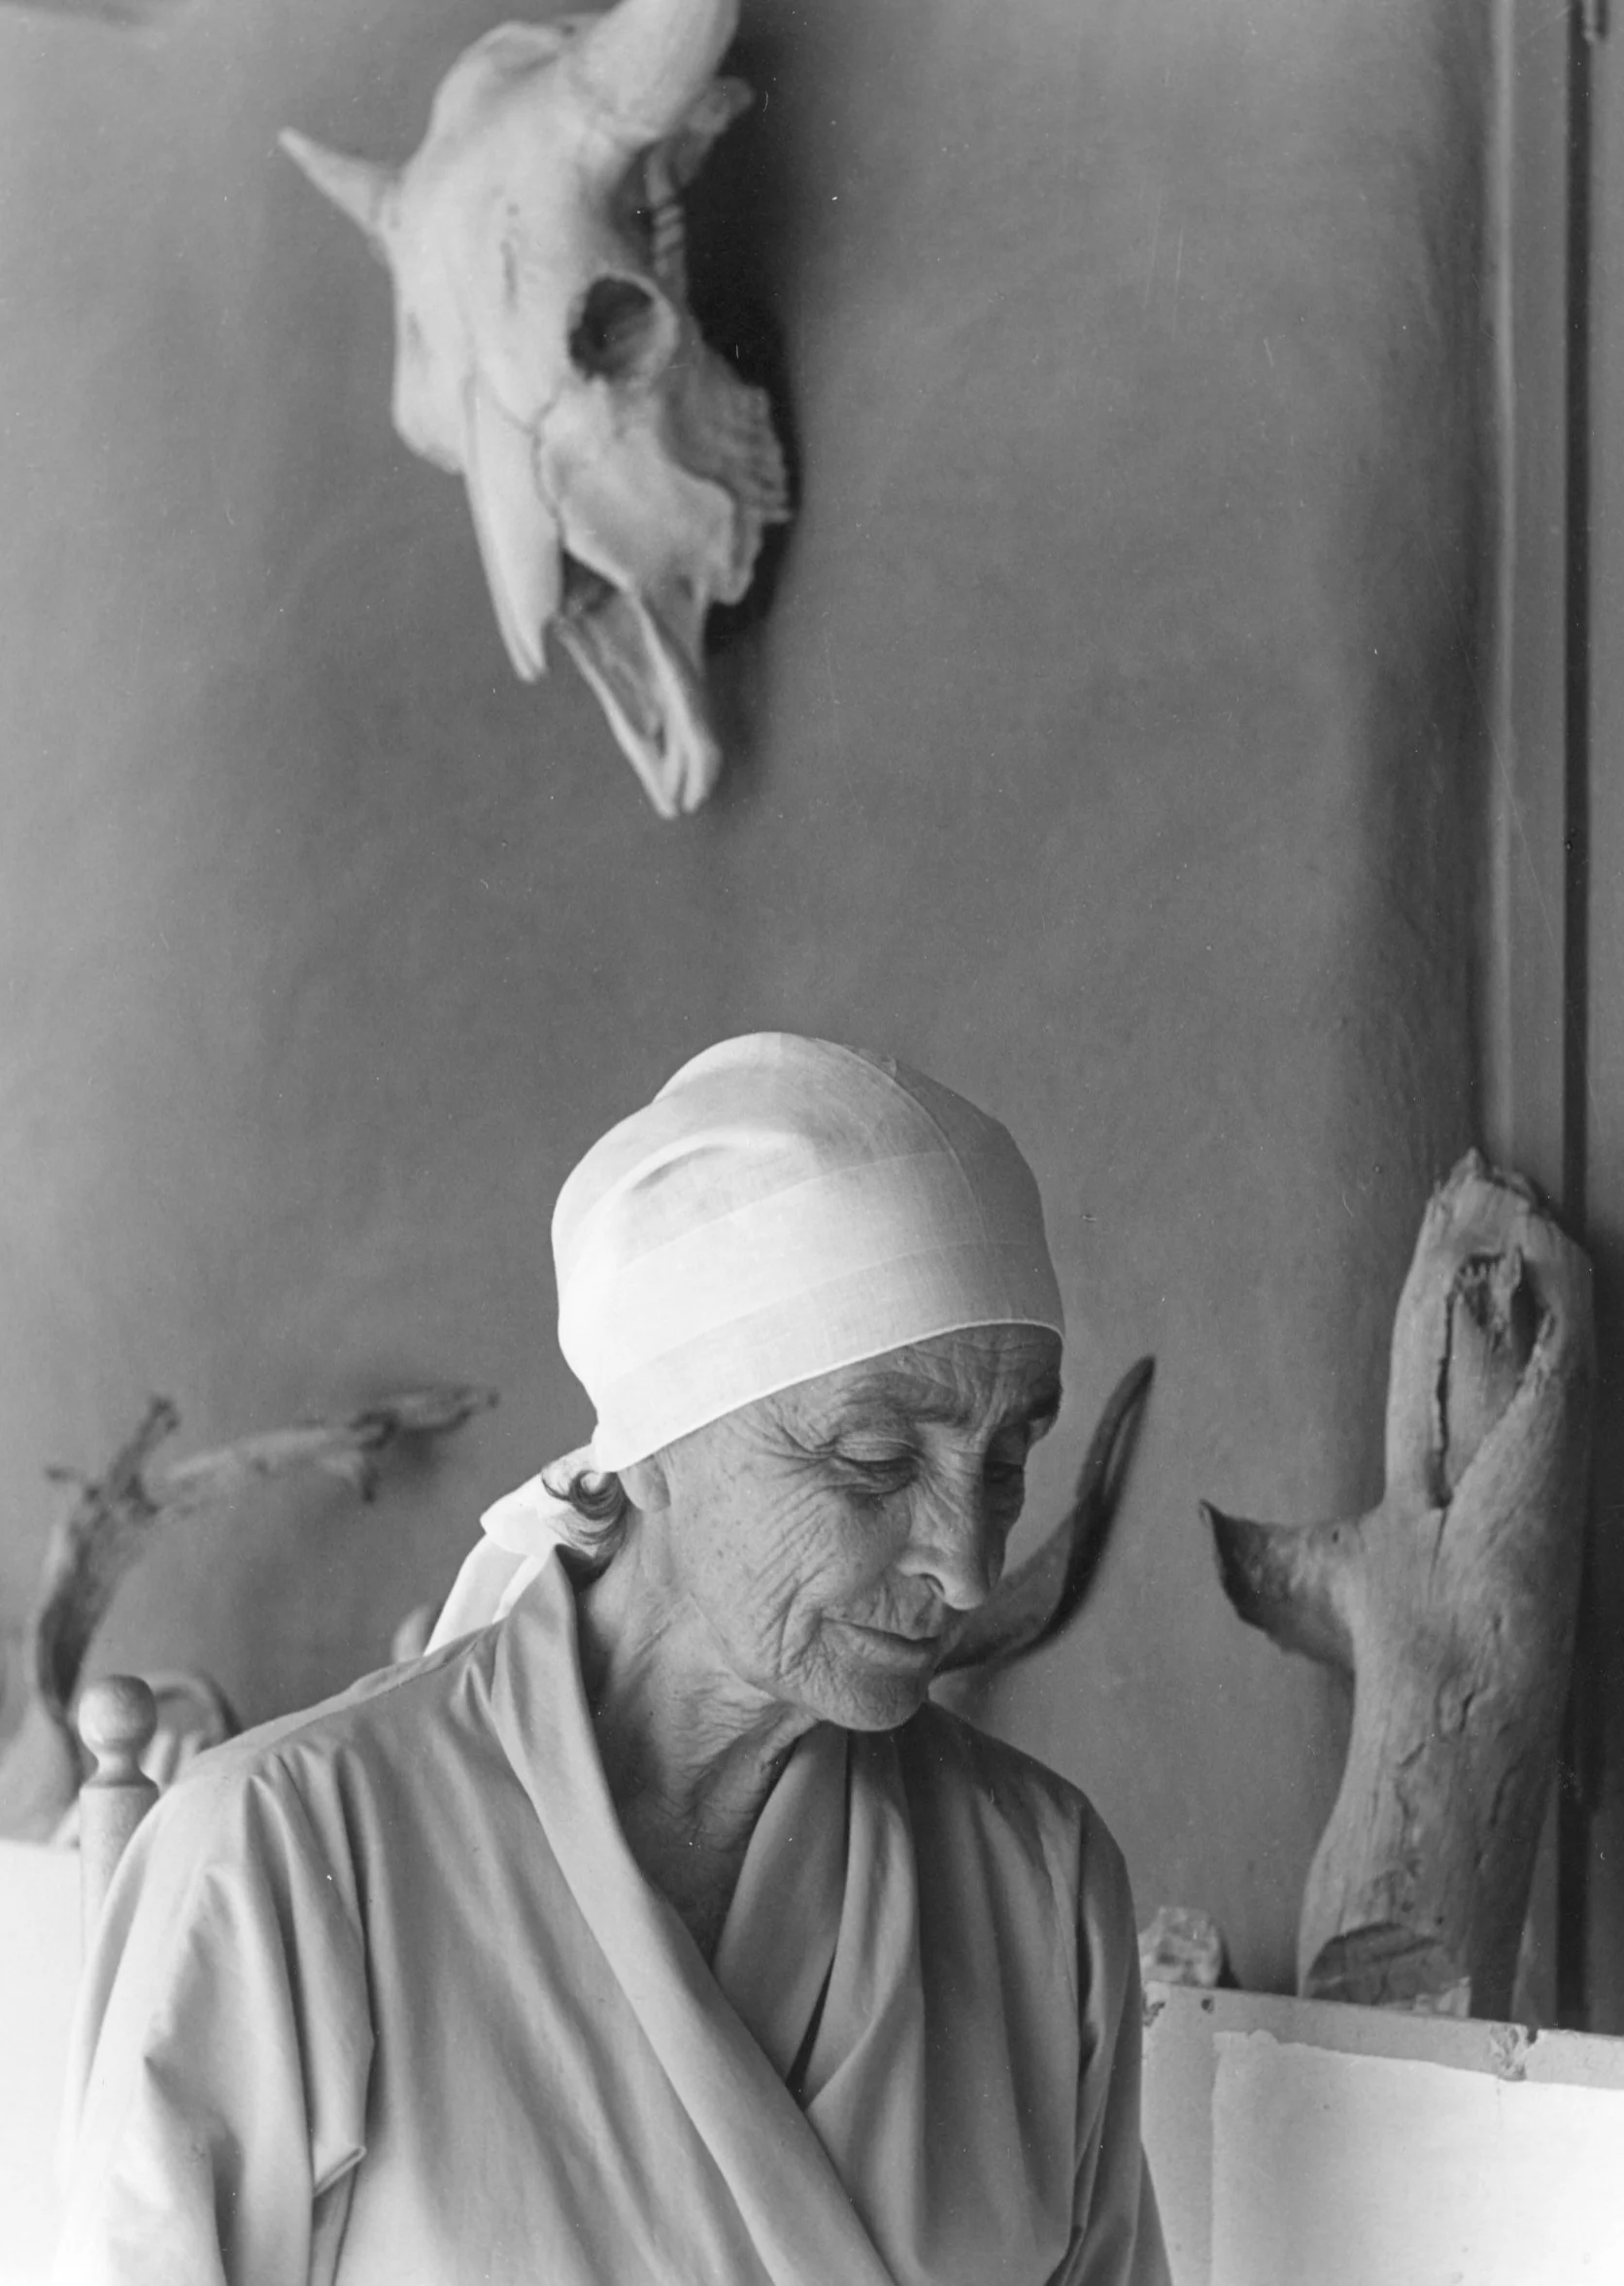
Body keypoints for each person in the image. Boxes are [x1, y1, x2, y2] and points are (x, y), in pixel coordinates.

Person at [56, 1033, 1168, 2286]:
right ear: (651, 1446)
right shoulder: (281, 1856)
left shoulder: (1041, 1880)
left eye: (1010, 1460)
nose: (967, 1570)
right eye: (874, 1461)